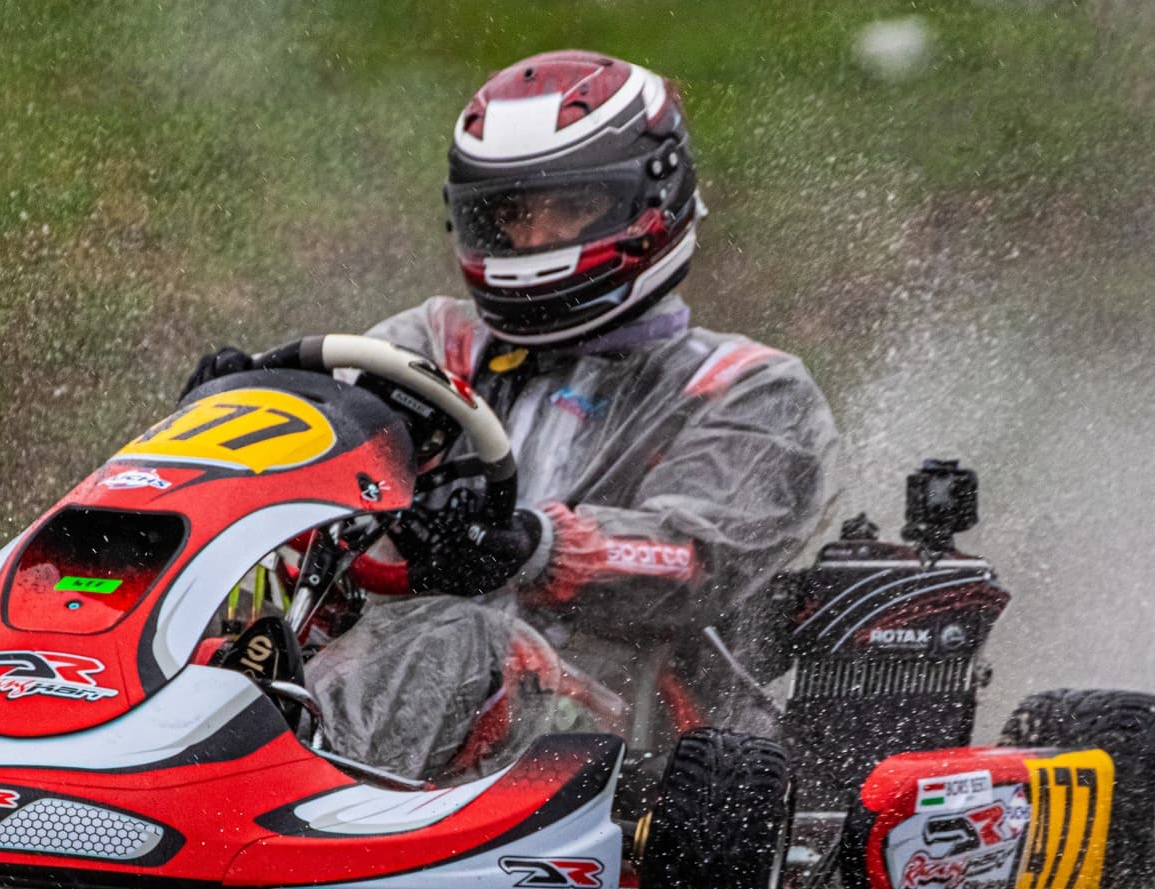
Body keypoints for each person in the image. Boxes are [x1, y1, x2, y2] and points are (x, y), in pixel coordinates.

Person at [186, 50, 840, 781]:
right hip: (403, 677)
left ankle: (233, 785)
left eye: (571, 209)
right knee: (229, 591)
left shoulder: (749, 388)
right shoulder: (433, 342)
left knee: (460, 636)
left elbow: (695, 556)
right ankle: (87, 727)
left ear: (650, 200)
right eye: (511, 216)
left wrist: (532, 544)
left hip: (637, 722)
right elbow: (329, 455)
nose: (534, 240)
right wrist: (249, 414)